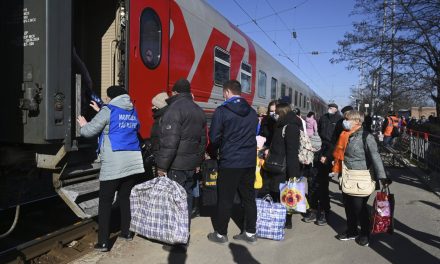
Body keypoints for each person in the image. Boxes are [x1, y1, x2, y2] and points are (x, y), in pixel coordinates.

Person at [77, 85, 145, 252]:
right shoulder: (132, 110)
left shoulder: (108, 110)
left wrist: (83, 123)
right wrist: (101, 110)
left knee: (105, 201)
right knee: (124, 197)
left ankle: (104, 243)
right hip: (133, 161)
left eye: (107, 98)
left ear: (111, 97)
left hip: (115, 162)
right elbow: (123, 124)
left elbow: (88, 131)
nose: (106, 100)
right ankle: (126, 233)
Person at [155, 78, 207, 248]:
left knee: (174, 201)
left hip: (176, 165)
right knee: (187, 200)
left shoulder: (173, 110)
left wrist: (162, 166)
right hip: (191, 165)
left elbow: (170, 142)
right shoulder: (198, 110)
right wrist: (198, 161)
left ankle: (175, 239)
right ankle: (183, 236)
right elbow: (203, 141)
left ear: (175, 92)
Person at [207, 80, 258, 244]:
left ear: (227, 92)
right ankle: (250, 233)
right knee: (249, 198)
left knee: (225, 199)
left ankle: (221, 234)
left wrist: (215, 151)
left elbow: (214, 138)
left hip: (230, 162)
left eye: (223, 93)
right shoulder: (252, 112)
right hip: (249, 161)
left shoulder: (222, 111)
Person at [332, 110, 390, 247]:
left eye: (347, 119)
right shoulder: (344, 135)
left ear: (357, 121)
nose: (344, 122)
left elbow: (376, 157)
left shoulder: (366, 137)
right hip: (346, 176)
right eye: (344, 119)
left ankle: (365, 233)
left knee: (359, 208)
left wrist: (382, 177)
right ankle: (352, 231)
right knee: (348, 206)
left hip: (361, 178)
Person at [261, 103, 300, 229]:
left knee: (286, 194)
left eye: (276, 112)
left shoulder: (291, 127)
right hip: (276, 164)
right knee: (276, 192)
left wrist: (293, 174)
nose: (274, 114)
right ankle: (277, 218)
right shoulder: (280, 125)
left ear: (282, 113)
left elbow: (292, 152)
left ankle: (286, 220)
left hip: (285, 167)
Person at [302, 103, 342, 225]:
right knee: (311, 182)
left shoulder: (339, 120)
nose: (330, 109)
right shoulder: (323, 118)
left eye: (333, 108)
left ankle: (324, 210)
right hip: (317, 152)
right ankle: (313, 209)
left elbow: (337, 141)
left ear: (336, 109)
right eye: (329, 107)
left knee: (323, 185)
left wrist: (328, 155)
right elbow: (317, 133)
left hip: (328, 154)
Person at [150, 92, 169, 176]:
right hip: (161, 157)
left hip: (161, 158)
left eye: (155, 105)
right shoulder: (161, 117)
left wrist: (162, 165)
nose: (152, 107)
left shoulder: (162, 118)